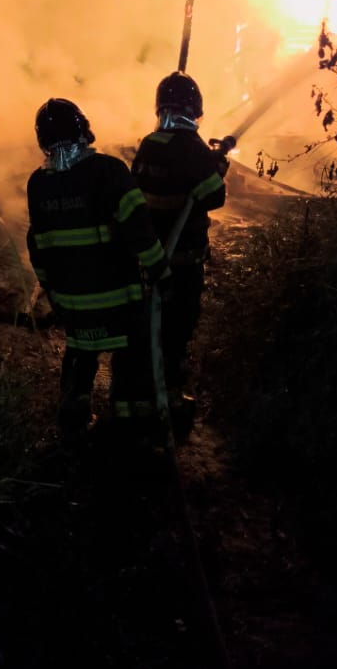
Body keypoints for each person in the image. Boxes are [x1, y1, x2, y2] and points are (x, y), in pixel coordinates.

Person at [27, 98, 169, 441]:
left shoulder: (38, 184)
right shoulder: (110, 171)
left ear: (42, 140)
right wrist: (160, 270)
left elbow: (39, 245)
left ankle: (73, 418)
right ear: (84, 130)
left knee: (79, 354)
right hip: (119, 298)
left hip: (74, 303)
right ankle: (130, 427)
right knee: (131, 358)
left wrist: (52, 291)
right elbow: (139, 229)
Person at [131, 72, 228, 413]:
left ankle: (138, 397)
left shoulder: (148, 143)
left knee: (147, 327)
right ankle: (168, 398)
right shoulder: (194, 149)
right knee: (177, 330)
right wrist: (217, 169)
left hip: (150, 257)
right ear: (194, 109)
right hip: (183, 260)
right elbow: (213, 196)